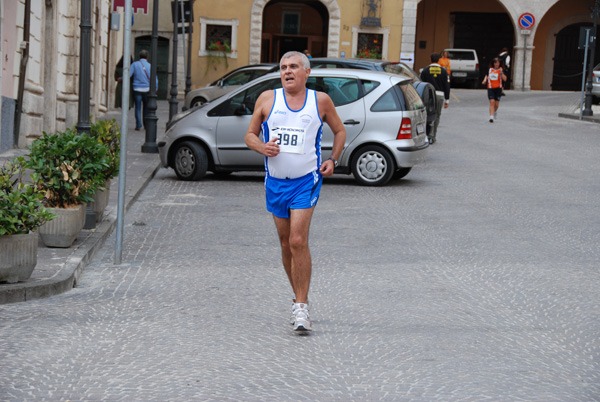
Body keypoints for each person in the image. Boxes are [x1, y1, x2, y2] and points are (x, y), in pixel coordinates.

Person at [244, 51, 346, 332]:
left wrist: (333, 159)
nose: (287, 71)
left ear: (307, 72)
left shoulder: (320, 101)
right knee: (286, 243)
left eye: (293, 67)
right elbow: (250, 135)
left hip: (306, 181)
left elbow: (340, 132)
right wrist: (262, 147)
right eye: (283, 67)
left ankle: (301, 307)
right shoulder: (267, 99)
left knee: (298, 240)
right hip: (275, 183)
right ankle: (299, 294)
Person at [119, 49, 158, 131]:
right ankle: (146, 125)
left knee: (138, 107)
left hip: (137, 89)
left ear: (139, 56)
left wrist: (121, 78)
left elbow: (128, 75)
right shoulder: (150, 66)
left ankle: (138, 125)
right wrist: (156, 88)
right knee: (146, 108)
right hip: (147, 90)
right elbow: (155, 78)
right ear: (147, 57)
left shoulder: (134, 64)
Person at [420, 52, 450, 144]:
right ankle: (432, 136)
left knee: (426, 115)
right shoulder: (444, 71)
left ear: (430, 59)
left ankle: (425, 135)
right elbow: (447, 85)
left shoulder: (425, 70)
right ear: (439, 60)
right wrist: (447, 99)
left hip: (428, 95)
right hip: (439, 95)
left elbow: (421, 84)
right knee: (437, 115)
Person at [482, 57, 507, 123]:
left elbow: (505, 79)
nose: (496, 64)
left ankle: (495, 112)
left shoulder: (501, 70)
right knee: (492, 102)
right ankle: (491, 117)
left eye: (498, 63)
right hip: (491, 88)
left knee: (496, 104)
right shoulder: (490, 70)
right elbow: (487, 75)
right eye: (495, 63)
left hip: (498, 88)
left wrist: (501, 73)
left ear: (499, 63)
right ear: (493, 63)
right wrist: (484, 80)